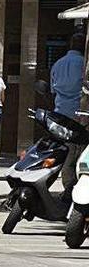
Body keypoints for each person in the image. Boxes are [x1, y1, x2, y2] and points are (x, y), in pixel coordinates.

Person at [52, 33, 86, 196]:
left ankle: (68, 186)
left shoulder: (58, 64)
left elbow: (52, 91)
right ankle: (70, 187)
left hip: (59, 116)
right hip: (78, 117)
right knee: (74, 154)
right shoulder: (83, 65)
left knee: (64, 152)